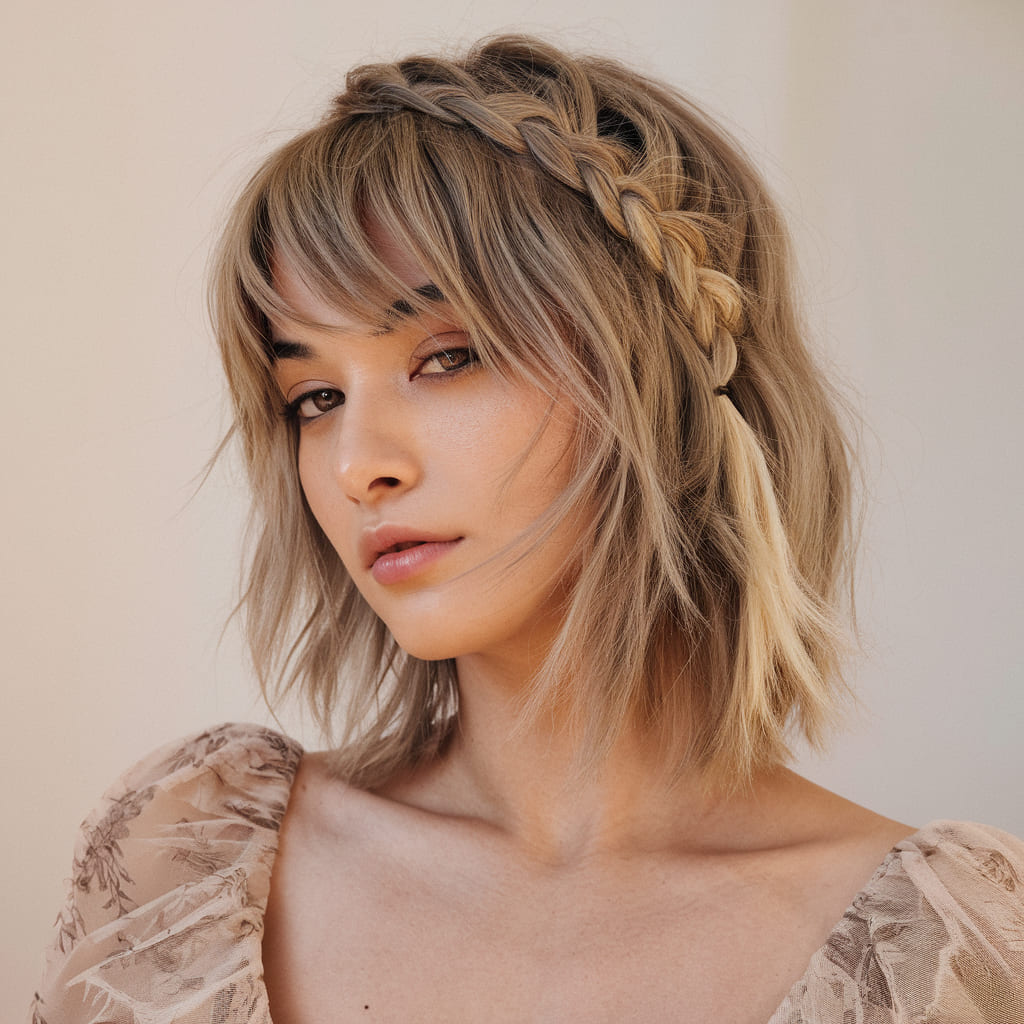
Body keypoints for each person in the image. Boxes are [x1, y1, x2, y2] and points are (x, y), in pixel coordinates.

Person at [31, 34, 1024, 1024]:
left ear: (661, 375)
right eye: (315, 393)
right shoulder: (179, 870)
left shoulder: (939, 951)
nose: (354, 463)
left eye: (447, 357)